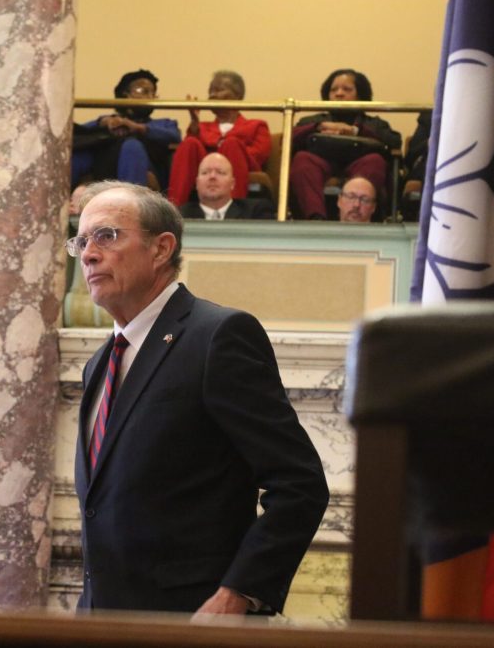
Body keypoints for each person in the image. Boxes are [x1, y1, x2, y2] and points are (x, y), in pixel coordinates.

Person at [69, 181, 328, 614]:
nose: (89, 254)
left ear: (161, 248)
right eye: (80, 241)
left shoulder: (217, 337)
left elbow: (300, 484)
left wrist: (239, 593)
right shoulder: (99, 364)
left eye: (107, 236)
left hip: (193, 621)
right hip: (103, 621)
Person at [289, 68, 401, 220]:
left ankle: (357, 217)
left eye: (347, 89)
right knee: (302, 159)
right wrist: (320, 127)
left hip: (359, 163)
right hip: (322, 163)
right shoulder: (312, 121)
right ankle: (315, 221)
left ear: (360, 95)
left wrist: (354, 131)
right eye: (333, 90)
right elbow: (289, 139)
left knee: (375, 161)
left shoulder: (374, 123)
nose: (339, 93)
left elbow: (394, 141)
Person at [167, 70, 271, 205]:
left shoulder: (256, 125)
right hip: (205, 167)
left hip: (240, 167)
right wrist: (194, 121)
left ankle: (232, 212)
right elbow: (190, 158)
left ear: (238, 96)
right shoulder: (202, 127)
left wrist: (224, 147)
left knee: (232, 144)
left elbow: (258, 156)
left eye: (218, 90)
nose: (212, 95)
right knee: (190, 143)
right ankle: (173, 212)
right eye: (210, 91)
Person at [71, 69, 180, 190]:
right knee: (80, 151)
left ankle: (131, 202)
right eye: (142, 91)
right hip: (104, 165)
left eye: (153, 92)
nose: (149, 97)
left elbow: (173, 135)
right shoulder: (109, 121)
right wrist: (103, 122)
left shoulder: (164, 123)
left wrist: (137, 128)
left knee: (131, 146)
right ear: (125, 94)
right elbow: (81, 132)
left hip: (144, 170)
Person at [179, 153, 274, 220]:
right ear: (197, 183)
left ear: (232, 183)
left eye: (220, 172)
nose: (212, 177)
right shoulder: (179, 216)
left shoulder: (256, 212)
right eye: (205, 172)